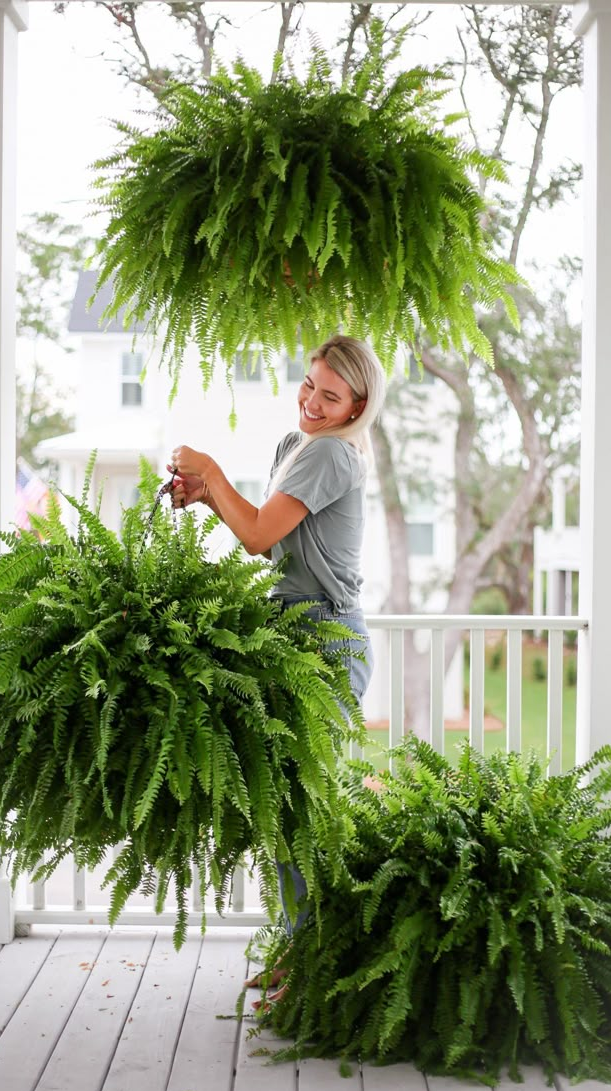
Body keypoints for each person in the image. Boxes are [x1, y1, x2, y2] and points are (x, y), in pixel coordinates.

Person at [168, 333, 387, 1004]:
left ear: (357, 405)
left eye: (331, 395)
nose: (313, 402)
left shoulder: (331, 452)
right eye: (309, 384)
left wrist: (211, 469)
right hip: (290, 634)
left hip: (325, 640)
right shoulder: (296, 446)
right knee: (288, 808)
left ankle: (325, 956)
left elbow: (259, 533)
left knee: (305, 809)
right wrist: (205, 494)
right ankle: (304, 951)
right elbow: (270, 540)